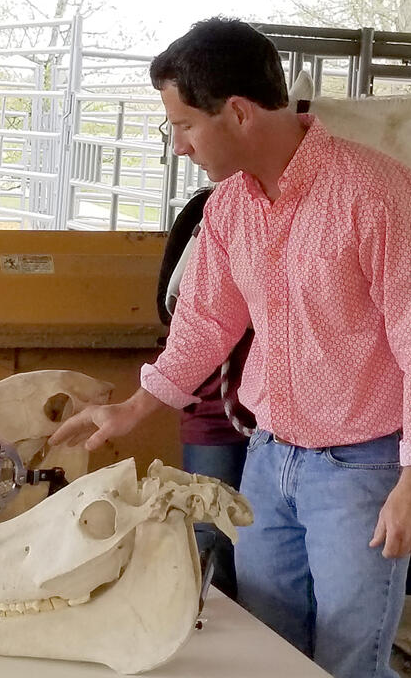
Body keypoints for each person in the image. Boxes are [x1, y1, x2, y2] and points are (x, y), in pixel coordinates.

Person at [50, 17, 411, 678]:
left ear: (237, 113)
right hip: (270, 463)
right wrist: (131, 410)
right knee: (265, 650)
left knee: (347, 659)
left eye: (183, 125)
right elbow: (206, 326)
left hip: (360, 470)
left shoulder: (378, 198)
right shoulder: (229, 209)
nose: (179, 146)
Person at [157, 186, 251, 600]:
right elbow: (171, 306)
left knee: (267, 549)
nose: (181, 145)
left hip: (281, 426)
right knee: (210, 542)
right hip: (213, 412)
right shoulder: (205, 211)